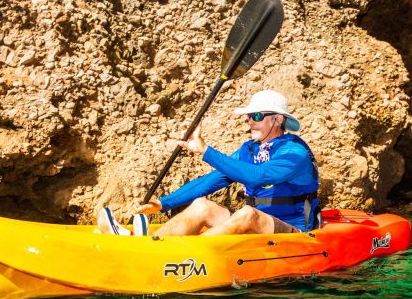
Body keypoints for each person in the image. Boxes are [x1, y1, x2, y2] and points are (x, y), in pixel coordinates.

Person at [98, 90, 320, 236]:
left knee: (248, 213)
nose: (250, 121)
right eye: (249, 117)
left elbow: (258, 176)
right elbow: (211, 181)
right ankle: (145, 243)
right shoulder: (249, 150)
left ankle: (178, 254)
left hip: (293, 231)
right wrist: (162, 204)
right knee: (202, 205)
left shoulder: (294, 152)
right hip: (255, 230)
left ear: (278, 119)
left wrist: (206, 151)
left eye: (257, 117)